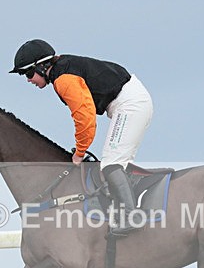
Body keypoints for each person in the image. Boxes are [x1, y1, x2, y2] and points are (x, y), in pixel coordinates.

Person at [9, 39, 153, 236]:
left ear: (42, 66)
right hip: (130, 101)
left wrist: (79, 152)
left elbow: (85, 118)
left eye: (28, 73)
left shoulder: (64, 80)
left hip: (129, 104)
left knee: (111, 165)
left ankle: (131, 217)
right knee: (116, 163)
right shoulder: (62, 71)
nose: (28, 80)